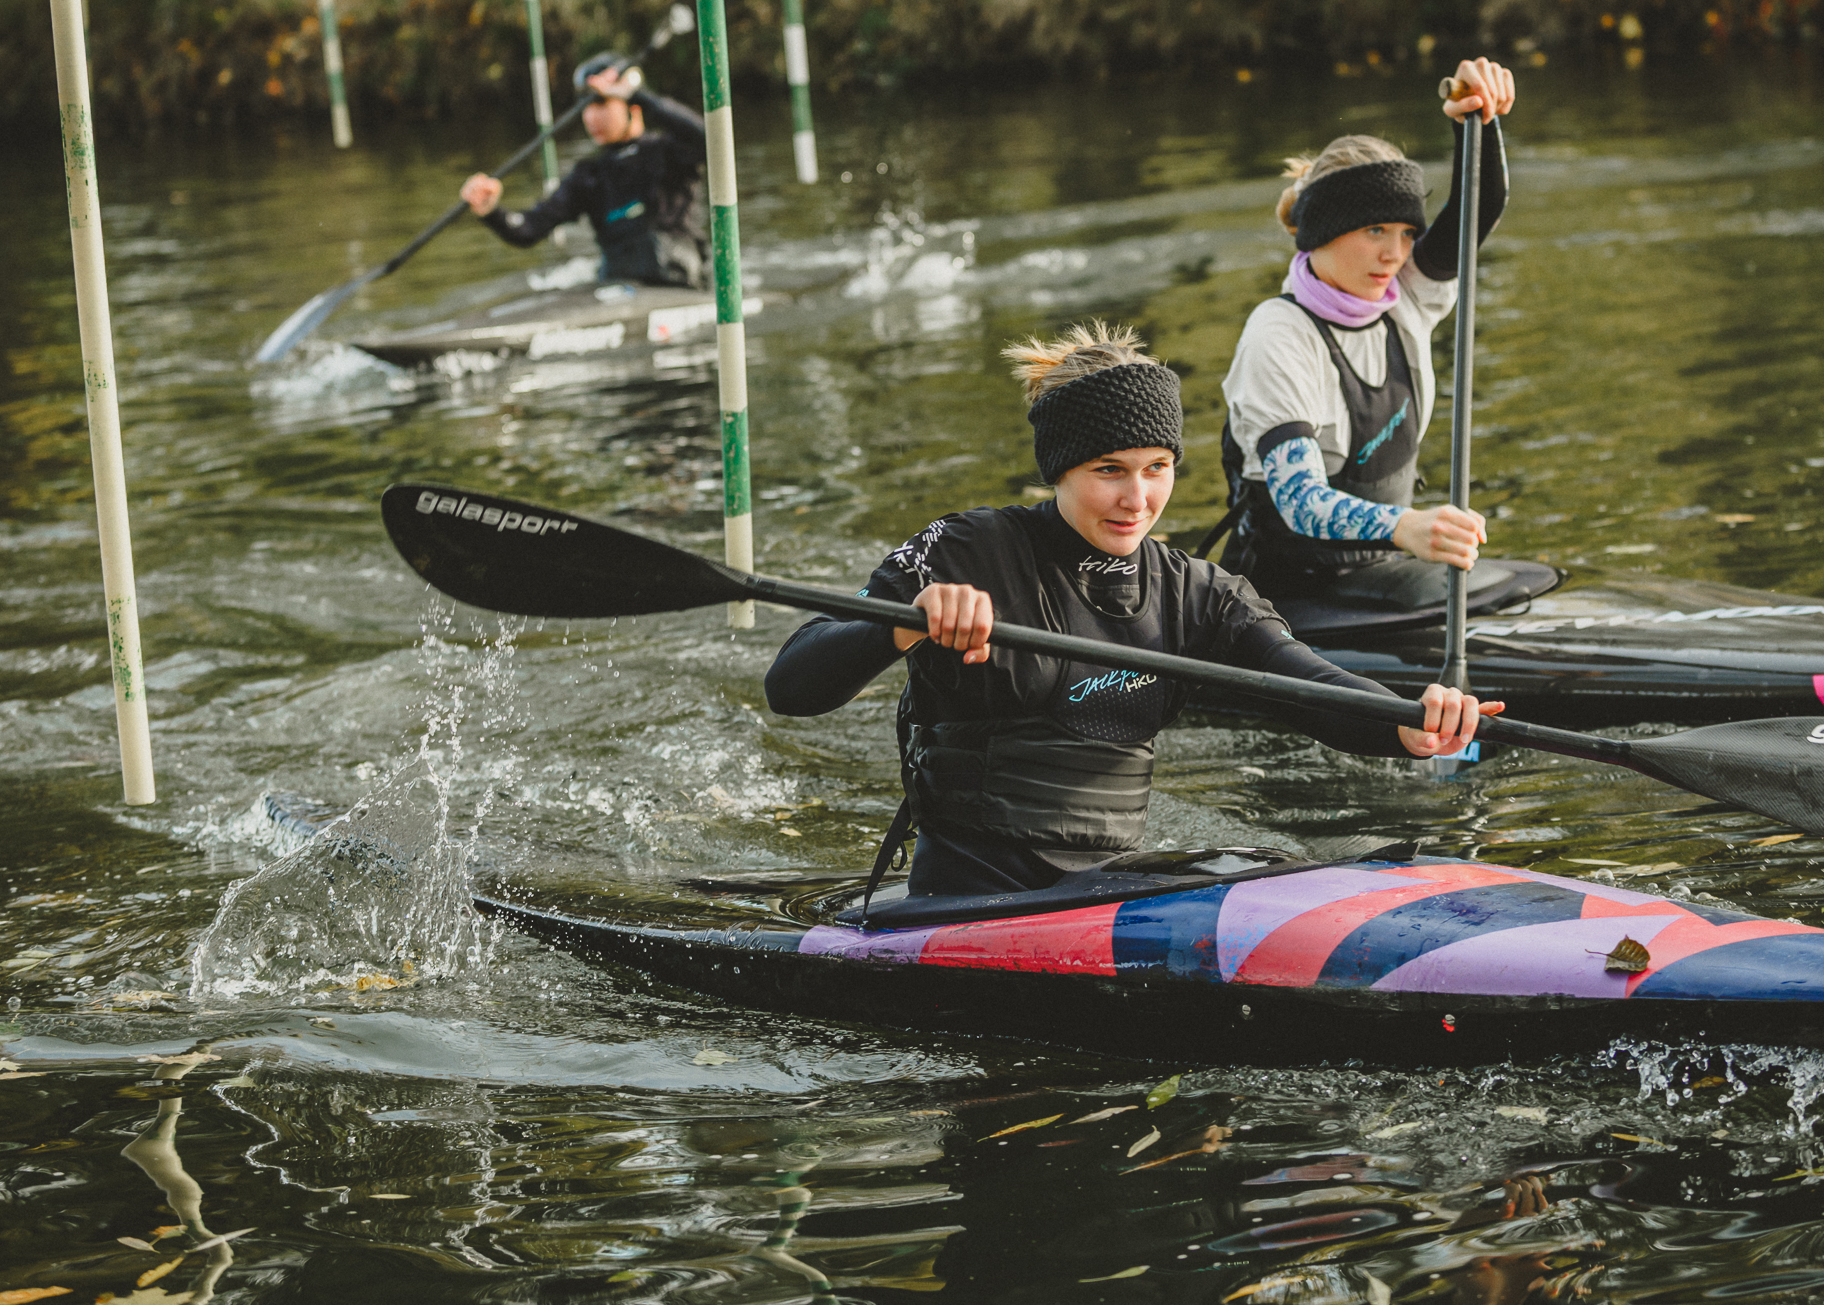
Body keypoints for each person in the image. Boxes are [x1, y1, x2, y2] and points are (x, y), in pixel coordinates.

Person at [763, 321, 1498, 900]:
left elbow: (1307, 683)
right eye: (1108, 471)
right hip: (968, 900)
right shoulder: (967, 550)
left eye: (1157, 469)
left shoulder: (1195, 593)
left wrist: (1408, 723)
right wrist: (902, 623)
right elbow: (792, 683)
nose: (1137, 499)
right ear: (1060, 469)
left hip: (1104, 894)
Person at [1216, 58, 1518, 603]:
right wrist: (1406, 526)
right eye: (1375, 230)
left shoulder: (1405, 296)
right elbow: (1300, 499)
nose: (1394, 254)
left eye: (1406, 233)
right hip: (1280, 601)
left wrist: (1477, 117)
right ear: (1323, 233)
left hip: (1382, 577)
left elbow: (1480, 208)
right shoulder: (1279, 334)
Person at [458, 53, 709, 289]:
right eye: (584, 107)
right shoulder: (588, 175)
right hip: (617, 284)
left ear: (632, 105)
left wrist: (637, 94)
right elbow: (530, 228)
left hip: (678, 281)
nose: (590, 116)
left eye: (600, 103)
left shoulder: (670, 152)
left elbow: (711, 139)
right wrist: (492, 212)